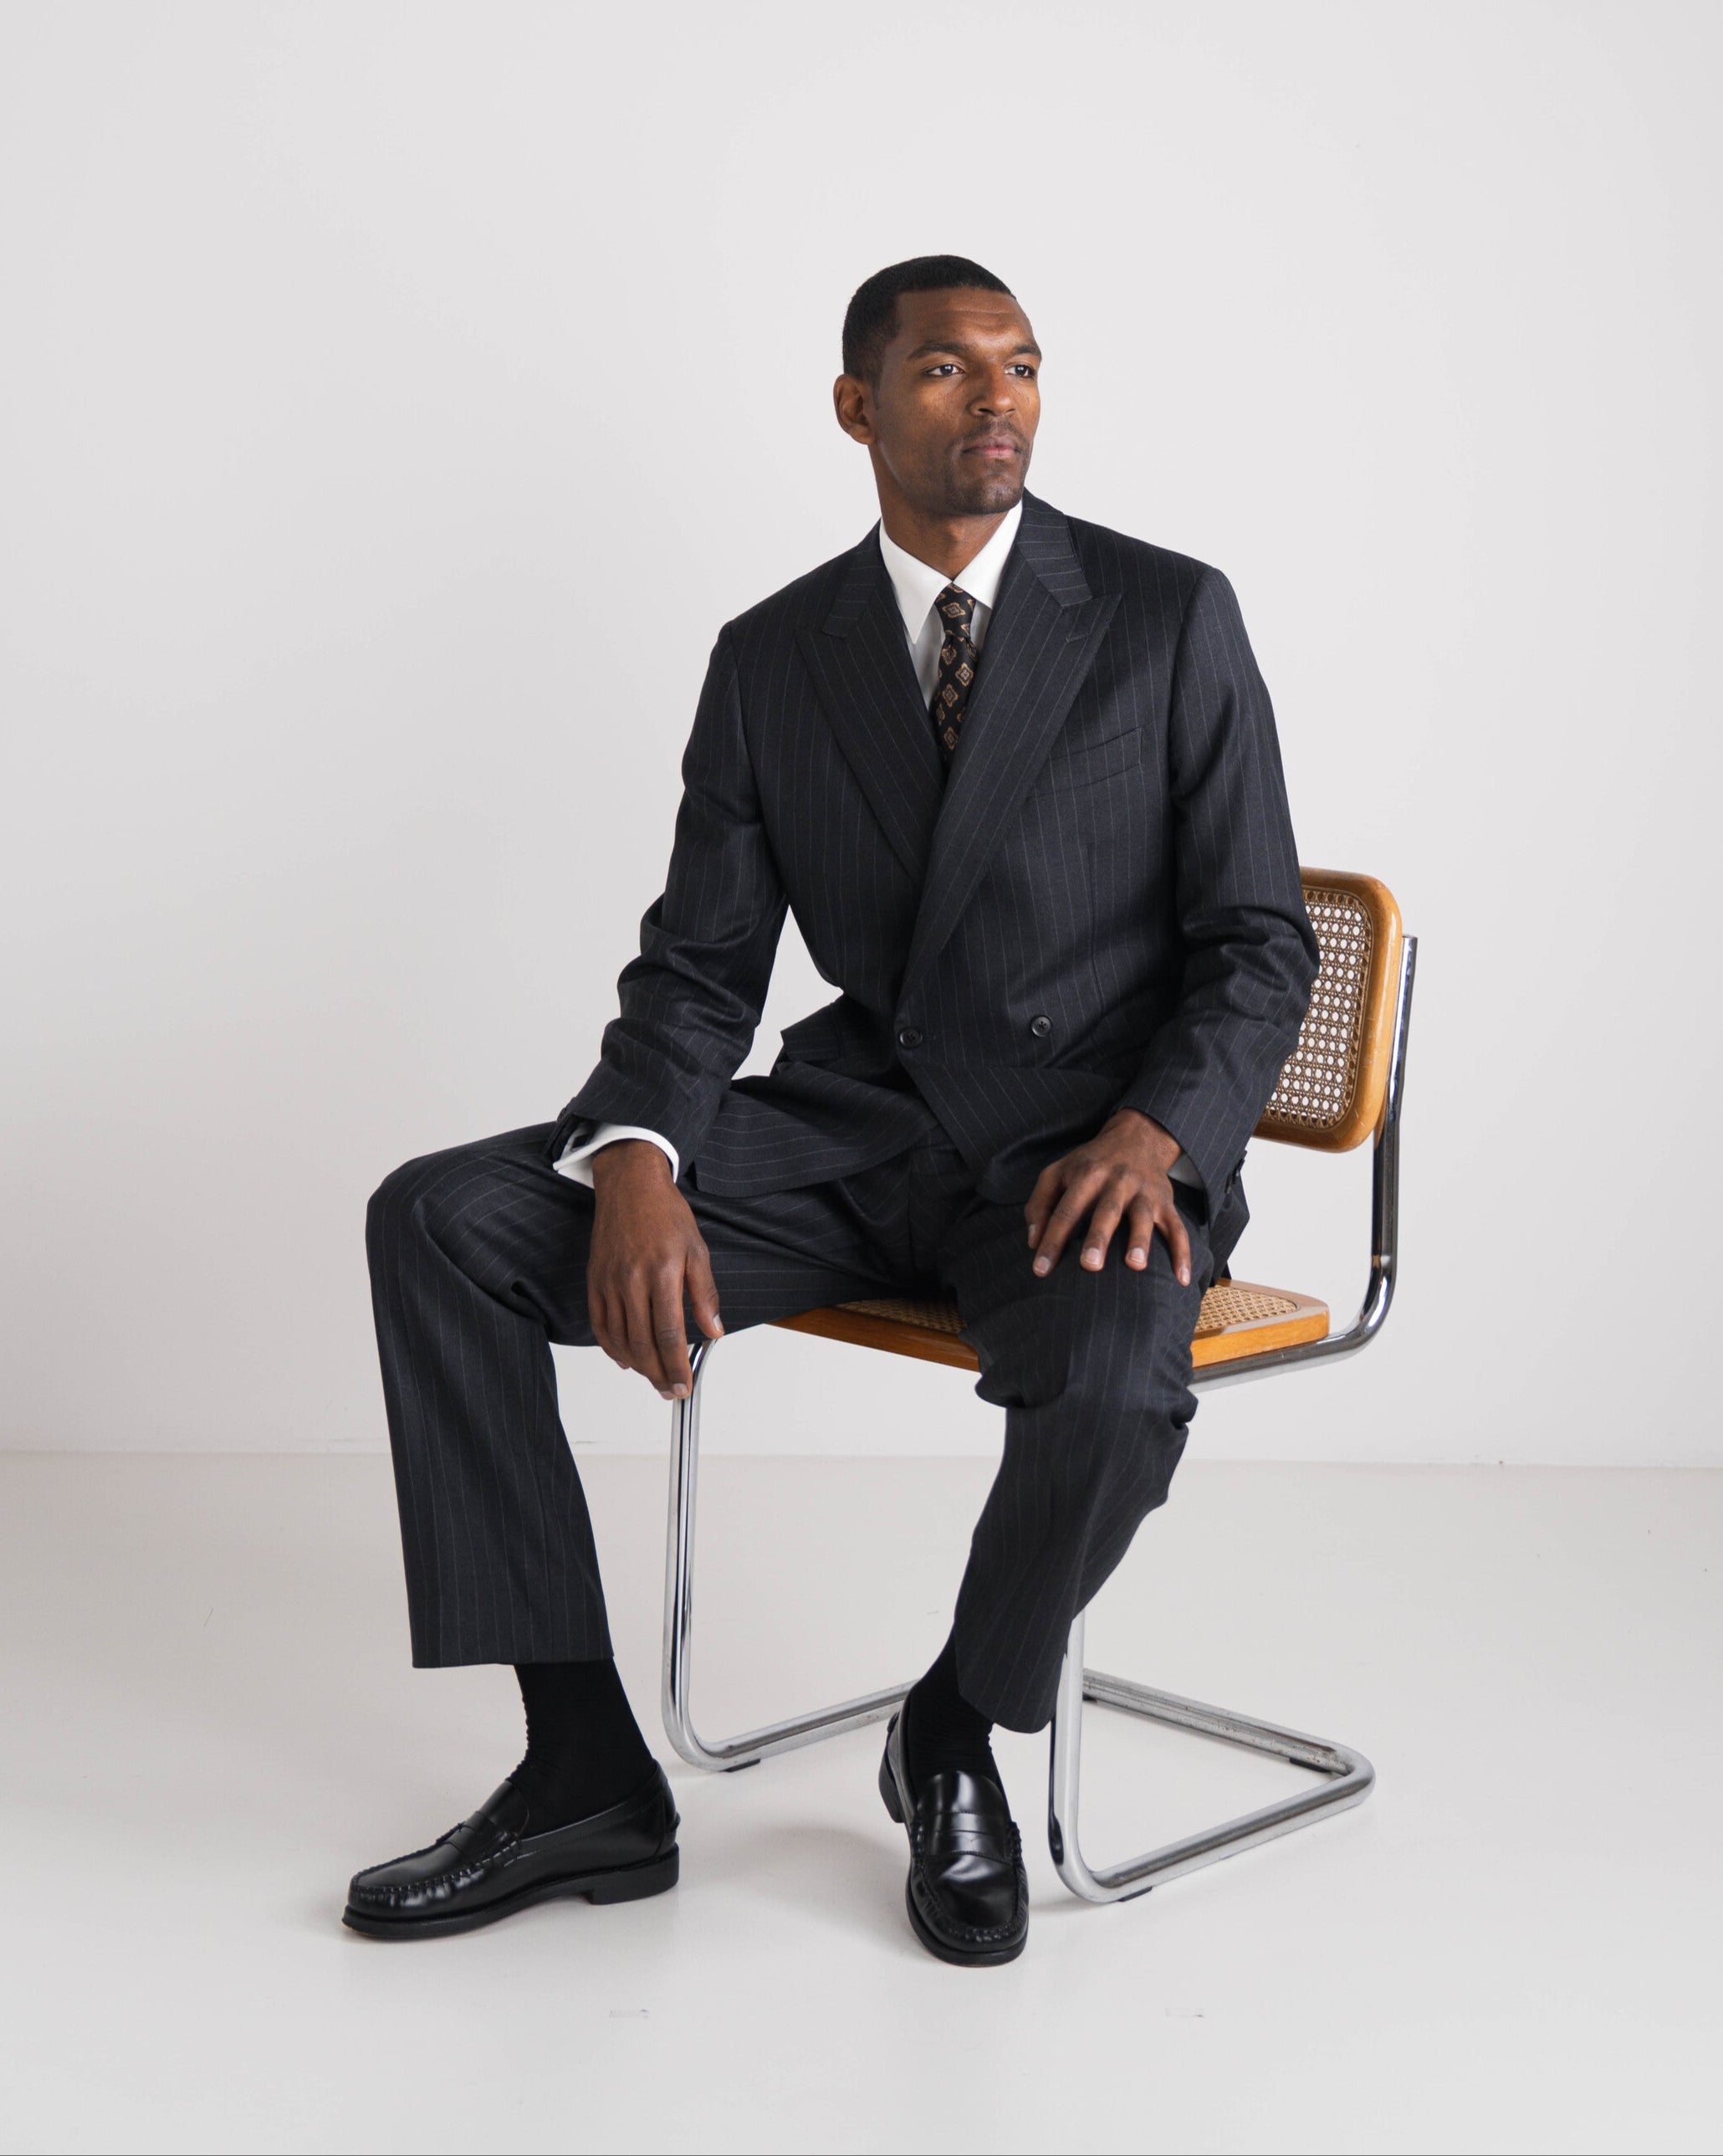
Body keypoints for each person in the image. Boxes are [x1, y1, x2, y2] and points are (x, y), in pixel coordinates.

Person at [345, 256, 1318, 1966]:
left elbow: (1256, 942)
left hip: (1081, 1156)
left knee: (1111, 1377)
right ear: (860, 406)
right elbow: (700, 969)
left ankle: (952, 1722)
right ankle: (583, 1767)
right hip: (854, 1134)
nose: (998, 396)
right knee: (440, 1219)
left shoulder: (1167, 616)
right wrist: (640, 1154)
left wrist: (1158, 1132)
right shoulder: (774, 658)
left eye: (1021, 365)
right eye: (948, 369)